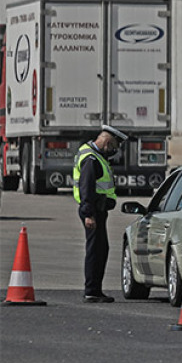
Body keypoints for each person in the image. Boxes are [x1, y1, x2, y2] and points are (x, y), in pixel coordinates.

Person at [74, 124, 129, 303]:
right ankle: (91, 291)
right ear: (106, 140)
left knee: (101, 249)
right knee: (95, 250)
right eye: (114, 145)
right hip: (93, 211)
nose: (114, 150)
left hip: (97, 210)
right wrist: (89, 214)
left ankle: (95, 289)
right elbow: (86, 188)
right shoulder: (91, 159)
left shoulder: (96, 156)